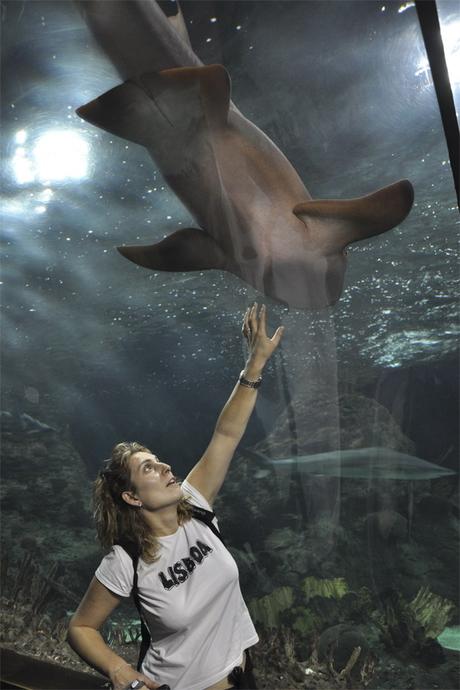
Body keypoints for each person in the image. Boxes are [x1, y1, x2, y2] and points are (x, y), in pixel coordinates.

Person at [67, 303, 284, 690]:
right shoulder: (126, 559)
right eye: (148, 468)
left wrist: (254, 367)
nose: (165, 467)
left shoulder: (196, 507)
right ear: (132, 497)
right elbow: (81, 627)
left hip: (243, 676)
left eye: (158, 460)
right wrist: (120, 671)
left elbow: (226, 435)